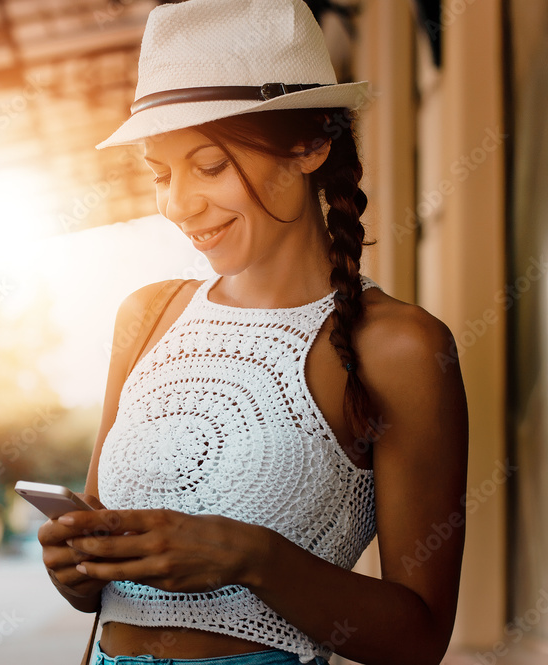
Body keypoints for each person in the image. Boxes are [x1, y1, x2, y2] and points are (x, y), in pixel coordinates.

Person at [38, 1, 469, 664]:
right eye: (161, 172)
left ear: (310, 146)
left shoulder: (400, 349)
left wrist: (254, 557)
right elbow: (101, 571)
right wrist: (77, 569)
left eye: (209, 166)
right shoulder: (146, 317)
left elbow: (419, 638)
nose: (179, 204)